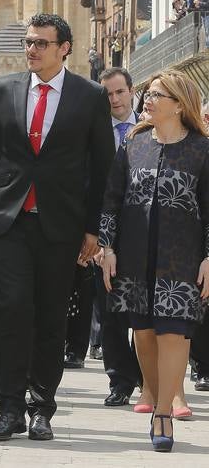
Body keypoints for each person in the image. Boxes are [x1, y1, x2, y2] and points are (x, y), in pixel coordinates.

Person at [0, 13, 115, 443]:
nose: (31, 49)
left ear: (64, 48)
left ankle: (40, 407)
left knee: (50, 317)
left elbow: (101, 169)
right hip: (9, 222)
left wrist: (93, 230)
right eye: (29, 42)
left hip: (61, 226)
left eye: (41, 43)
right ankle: (9, 409)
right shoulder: (5, 88)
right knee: (11, 309)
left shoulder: (89, 96)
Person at [101, 70, 209, 453]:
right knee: (143, 333)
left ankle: (163, 411)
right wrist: (107, 248)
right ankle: (157, 396)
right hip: (133, 256)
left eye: (157, 94)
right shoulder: (133, 144)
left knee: (174, 332)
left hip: (182, 259)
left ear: (179, 104)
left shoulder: (202, 149)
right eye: (147, 92)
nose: (148, 98)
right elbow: (111, 201)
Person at [94, 68, 142, 408]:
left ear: (131, 90)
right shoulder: (94, 133)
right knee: (110, 310)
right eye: (108, 95)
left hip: (145, 233)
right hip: (103, 235)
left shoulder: (151, 129)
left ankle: (146, 377)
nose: (114, 100)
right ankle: (120, 381)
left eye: (119, 92)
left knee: (143, 310)